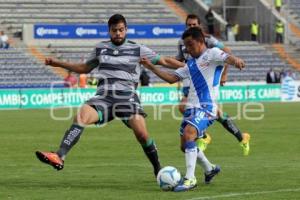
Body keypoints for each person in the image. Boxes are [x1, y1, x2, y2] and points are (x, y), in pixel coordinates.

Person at [35, 14, 184, 177]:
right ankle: (59, 155)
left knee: (142, 134)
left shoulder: (138, 49)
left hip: (127, 97)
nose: (118, 33)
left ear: (126, 30)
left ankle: (158, 169)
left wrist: (188, 66)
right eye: (114, 30)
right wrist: (56, 63)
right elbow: (84, 68)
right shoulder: (100, 48)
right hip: (103, 96)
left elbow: (164, 61)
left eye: (121, 30)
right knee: (80, 117)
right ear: (109, 31)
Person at [140, 27, 246, 192]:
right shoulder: (190, 64)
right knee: (185, 145)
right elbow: (171, 78)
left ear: (201, 41)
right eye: (186, 46)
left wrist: (236, 60)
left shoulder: (212, 54)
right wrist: (151, 67)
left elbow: (228, 57)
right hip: (192, 107)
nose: (187, 49)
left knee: (190, 134)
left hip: (207, 106)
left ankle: (190, 179)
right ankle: (210, 168)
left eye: (190, 45)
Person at [176, 14, 250, 156]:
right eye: (189, 25)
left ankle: (207, 135)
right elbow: (180, 58)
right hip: (191, 80)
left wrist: (224, 74)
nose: (191, 27)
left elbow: (227, 52)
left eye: (194, 25)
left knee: (213, 112)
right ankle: (236, 137)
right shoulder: (183, 41)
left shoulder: (209, 40)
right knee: (206, 111)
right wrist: (163, 61)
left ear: (200, 25)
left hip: (207, 82)